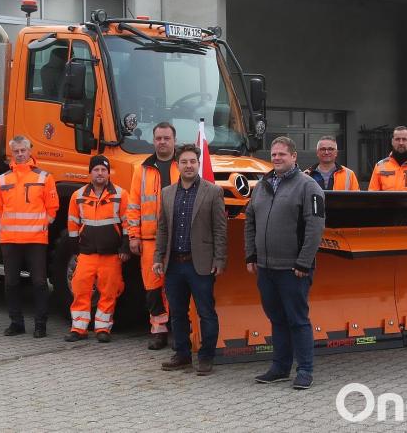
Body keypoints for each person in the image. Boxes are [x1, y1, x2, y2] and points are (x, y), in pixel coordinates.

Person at [245, 136, 325, 390]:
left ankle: (305, 370)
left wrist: (303, 262)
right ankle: (280, 368)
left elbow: (315, 228)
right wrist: (251, 255)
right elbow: (250, 220)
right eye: (274, 154)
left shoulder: (309, 186)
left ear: (293, 157)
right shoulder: (262, 185)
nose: (277, 158)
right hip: (266, 268)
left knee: (297, 320)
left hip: (293, 269)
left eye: (282, 154)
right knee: (277, 319)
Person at [153, 144, 227, 376]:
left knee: (206, 312)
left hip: (201, 264)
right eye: (184, 162)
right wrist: (158, 257)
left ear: (198, 163)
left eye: (192, 161)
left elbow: (220, 230)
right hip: (174, 264)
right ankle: (182, 354)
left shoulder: (212, 192)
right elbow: (162, 229)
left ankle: (206, 357)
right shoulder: (166, 193)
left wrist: (220, 259)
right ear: (177, 165)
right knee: (177, 313)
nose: (188, 165)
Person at [0, 136, 59, 338]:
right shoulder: (1, 180)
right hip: (10, 240)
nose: (20, 154)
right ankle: (16, 323)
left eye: (23, 150)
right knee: (11, 283)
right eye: (16, 151)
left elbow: (53, 207)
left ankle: (40, 325)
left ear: (30, 151)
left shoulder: (44, 177)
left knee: (39, 283)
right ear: (11, 153)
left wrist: (42, 225)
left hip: (35, 240)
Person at [64, 155, 130, 343]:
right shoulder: (78, 196)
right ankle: (78, 329)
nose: (100, 173)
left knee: (109, 293)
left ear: (108, 173)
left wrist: (125, 247)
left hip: (111, 255)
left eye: (103, 170)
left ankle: (103, 329)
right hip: (86, 254)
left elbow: (128, 223)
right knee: (80, 290)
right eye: (96, 170)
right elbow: (72, 224)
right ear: (90, 172)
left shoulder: (120, 194)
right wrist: (74, 250)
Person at [128, 122, 179, 350]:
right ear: (153, 140)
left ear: (174, 140)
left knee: (177, 285)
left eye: (166, 138)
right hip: (149, 239)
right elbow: (134, 205)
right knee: (152, 287)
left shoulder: (184, 165)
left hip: (179, 238)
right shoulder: (143, 169)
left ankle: (180, 329)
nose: (162, 142)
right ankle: (159, 331)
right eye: (158, 138)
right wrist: (133, 236)